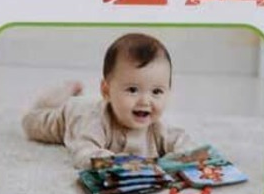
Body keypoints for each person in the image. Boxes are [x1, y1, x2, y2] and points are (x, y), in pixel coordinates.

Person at [22, 33, 198, 169]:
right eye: (132, 90)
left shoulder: (158, 127)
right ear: (106, 91)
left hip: (89, 104)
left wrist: (184, 157)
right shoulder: (94, 121)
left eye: (156, 92)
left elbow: (183, 142)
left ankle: (76, 92)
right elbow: (84, 154)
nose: (145, 101)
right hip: (72, 114)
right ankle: (63, 94)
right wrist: (117, 162)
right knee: (31, 123)